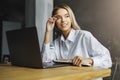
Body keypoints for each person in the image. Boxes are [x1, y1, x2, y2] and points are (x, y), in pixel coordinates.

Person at [42, 4, 112, 79]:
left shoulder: (84, 36)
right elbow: (45, 62)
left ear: (71, 18)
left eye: (66, 16)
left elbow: (107, 59)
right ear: (55, 21)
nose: (63, 20)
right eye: (59, 17)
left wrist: (89, 60)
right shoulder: (56, 43)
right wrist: (48, 32)